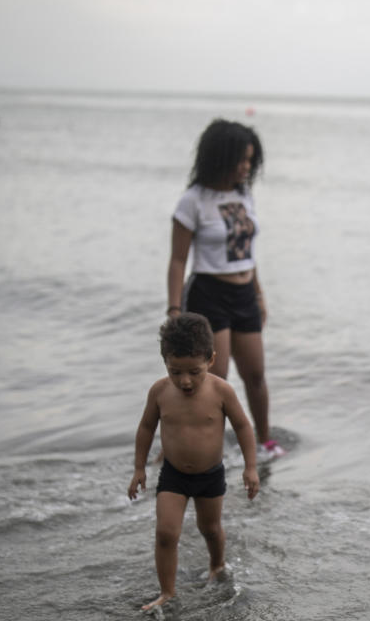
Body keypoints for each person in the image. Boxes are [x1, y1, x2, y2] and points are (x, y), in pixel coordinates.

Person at [167, 119, 283, 459]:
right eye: (241, 160)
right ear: (220, 157)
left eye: (251, 160)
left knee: (256, 375)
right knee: (212, 381)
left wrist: (259, 295)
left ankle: (264, 443)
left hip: (244, 295)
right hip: (209, 294)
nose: (247, 167)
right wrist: (174, 311)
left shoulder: (245, 195)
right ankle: (200, 449)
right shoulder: (193, 201)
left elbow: (248, 253)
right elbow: (177, 261)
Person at [128, 312, 260, 611]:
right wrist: (139, 468)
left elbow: (242, 426)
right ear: (165, 362)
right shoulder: (160, 391)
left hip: (210, 475)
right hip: (173, 475)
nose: (185, 380)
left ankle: (216, 565)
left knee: (210, 529)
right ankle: (167, 592)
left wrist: (251, 467)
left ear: (211, 360)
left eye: (194, 371)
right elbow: (147, 427)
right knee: (165, 533)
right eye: (175, 371)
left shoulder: (221, 391)